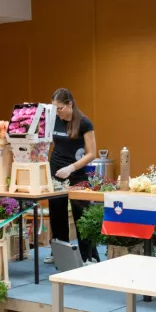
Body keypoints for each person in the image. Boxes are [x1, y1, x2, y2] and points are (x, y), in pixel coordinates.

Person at [46, 88, 98, 264]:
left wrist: (71, 168)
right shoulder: (54, 120)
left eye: (59, 108)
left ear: (70, 104)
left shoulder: (84, 123)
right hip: (56, 171)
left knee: (81, 214)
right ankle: (60, 253)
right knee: (57, 212)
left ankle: (88, 256)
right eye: (54, 108)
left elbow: (91, 153)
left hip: (77, 173)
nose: (57, 112)